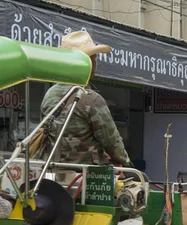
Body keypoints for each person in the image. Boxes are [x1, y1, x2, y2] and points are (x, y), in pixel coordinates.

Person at [40, 31, 132, 167]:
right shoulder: (92, 100)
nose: (95, 64)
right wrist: (128, 165)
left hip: (51, 169)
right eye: (93, 59)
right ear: (83, 63)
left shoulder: (49, 94)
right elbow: (112, 142)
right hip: (86, 175)